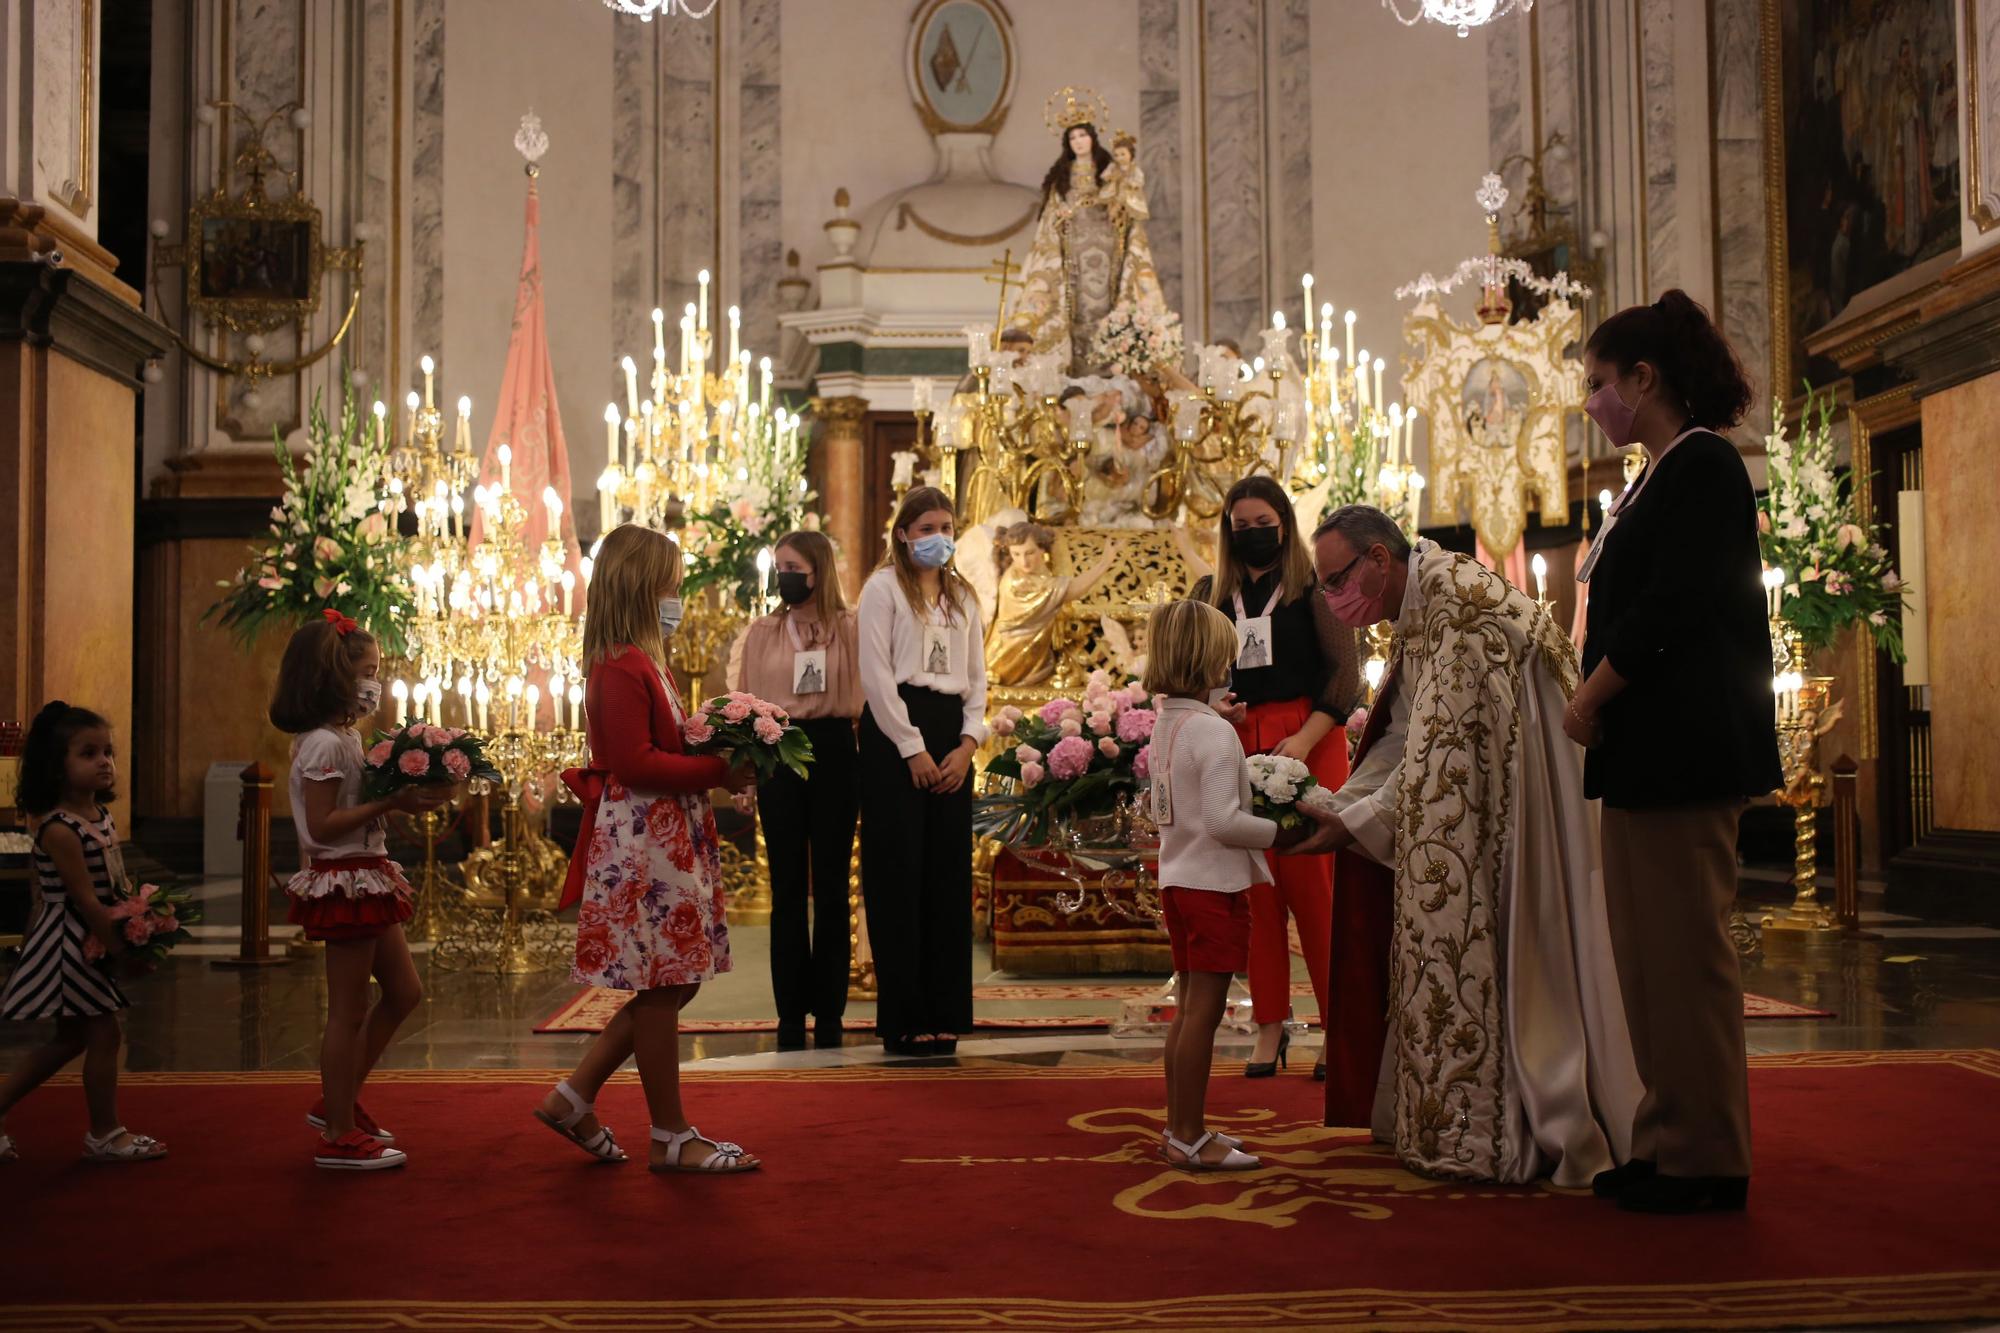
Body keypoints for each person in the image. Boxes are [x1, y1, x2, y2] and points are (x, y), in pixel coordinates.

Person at [1295, 504, 1641, 1187]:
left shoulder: (1456, 607)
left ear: (1378, 559)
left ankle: (1492, 1119)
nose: (1333, 599)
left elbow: (1441, 760)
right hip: (1497, 788)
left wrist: (1354, 822)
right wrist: (1340, 808)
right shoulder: (1423, 604)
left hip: (1524, 808)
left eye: (1336, 580)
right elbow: (1406, 735)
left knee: (1516, 943)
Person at [1564, 290, 1782, 1213]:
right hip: (1644, 753)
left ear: (1645, 378)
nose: (1591, 402)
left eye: (1599, 382)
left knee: (1687, 956)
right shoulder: (1653, 475)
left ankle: (1708, 1154)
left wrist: (1591, 693)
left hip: (1686, 749)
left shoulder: (1704, 465)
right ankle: (1662, 1136)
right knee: (1645, 959)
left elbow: (1671, 608)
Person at [536, 524, 760, 1173]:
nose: (678, 597)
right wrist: (720, 771)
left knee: (674, 982)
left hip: (663, 832)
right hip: (643, 838)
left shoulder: (642, 658)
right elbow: (635, 763)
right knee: (664, 984)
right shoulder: (619, 664)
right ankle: (671, 1136)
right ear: (641, 586)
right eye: (671, 585)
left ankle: (573, 1097)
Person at [1194, 475, 1359, 1080]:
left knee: (1317, 892)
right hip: (1237, 741)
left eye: (1263, 524)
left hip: (1311, 737)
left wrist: (1306, 739)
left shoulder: (1314, 587)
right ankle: (1270, 1026)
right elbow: (1195, 671)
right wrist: (1214, 707)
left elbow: (1345, 674)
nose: (1252, 534)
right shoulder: (1212, 593)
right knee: (1256, 893)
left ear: (1284, 525)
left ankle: (1339, 1025)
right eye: (1241, 527)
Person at [270, 611, 447, 1171]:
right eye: (367, 672)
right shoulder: (323, 744)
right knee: (347, 1011)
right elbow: (322, 827)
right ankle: (338, 1133)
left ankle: (338, 1100)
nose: (375, 682)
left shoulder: (346, 738)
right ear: (331, 676)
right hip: (344, 879)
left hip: (366, 869)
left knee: (403, 992)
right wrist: (390, 802)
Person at [1144, 599, 1295, 1172]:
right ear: (1209, 661)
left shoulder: (1169, 723)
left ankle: (1178, 1127)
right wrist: (1283, 834)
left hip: (1178, 879)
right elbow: (1223, 822)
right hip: (1212, 888)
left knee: (1188, 1011)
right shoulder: (1212, 732)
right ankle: (1188, 1134)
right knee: (1202, 1015)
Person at [0, 703, 165, 1164]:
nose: (104, 761)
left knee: (71, 1038)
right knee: (104, 1032)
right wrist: (122, 953)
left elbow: (114, 886)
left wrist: (142, 920)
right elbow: (86, 902)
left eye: (107, 752)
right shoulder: (60, 828)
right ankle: (105, 1134)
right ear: (57, 765)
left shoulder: (100, 816)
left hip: (88, 939)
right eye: (88, 753)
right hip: (67, 943)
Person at [856, 486, 987, 1057]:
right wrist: (912, 748)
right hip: (895, 733)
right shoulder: (882, 588)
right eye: (927, 528)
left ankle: (945, 1013)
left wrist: (968, 744)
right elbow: (876, 675)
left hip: (951, 731)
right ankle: (904, 1017)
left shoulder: (963, 596)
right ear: (904, 534)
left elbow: (978, 678)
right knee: (899, 874)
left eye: (946, 527)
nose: (938, 537)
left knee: (946, 877)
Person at [726, 529, 862, 1051]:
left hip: (835, 751)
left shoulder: (850, 628)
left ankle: (829, 1014)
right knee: (786, 891)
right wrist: (745, 769)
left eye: (793, 568)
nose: (784, 576)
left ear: (818, 572)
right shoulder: (763, 631)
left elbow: (868, 698)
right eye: (780, 567)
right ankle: (789, 1015)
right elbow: (744, 703)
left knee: (831, 889)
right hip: (778, 751)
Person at [1010, 113, 1167, 375]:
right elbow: (1049, 221)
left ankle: (1112, 364)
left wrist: (1122, 193)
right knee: (1076, 310)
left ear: (1092, 138)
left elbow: (1128, 207)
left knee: (1107, 306)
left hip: (1108, 254)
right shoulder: (1062, 178)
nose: (1078, 142)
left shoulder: (1110, 172)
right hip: (1073, 256)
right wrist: (1061, 218)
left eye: (1082, 135)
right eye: (1072, 137)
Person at [986, 521, 1119, 687]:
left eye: (1030, 553)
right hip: (1010, 658)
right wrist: (1104, 564)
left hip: (1030, 652)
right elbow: (1070, 591)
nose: (1024, 561)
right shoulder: (1018, 582)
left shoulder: (1034, 572)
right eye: (1016, 554)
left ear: (1043, 549)